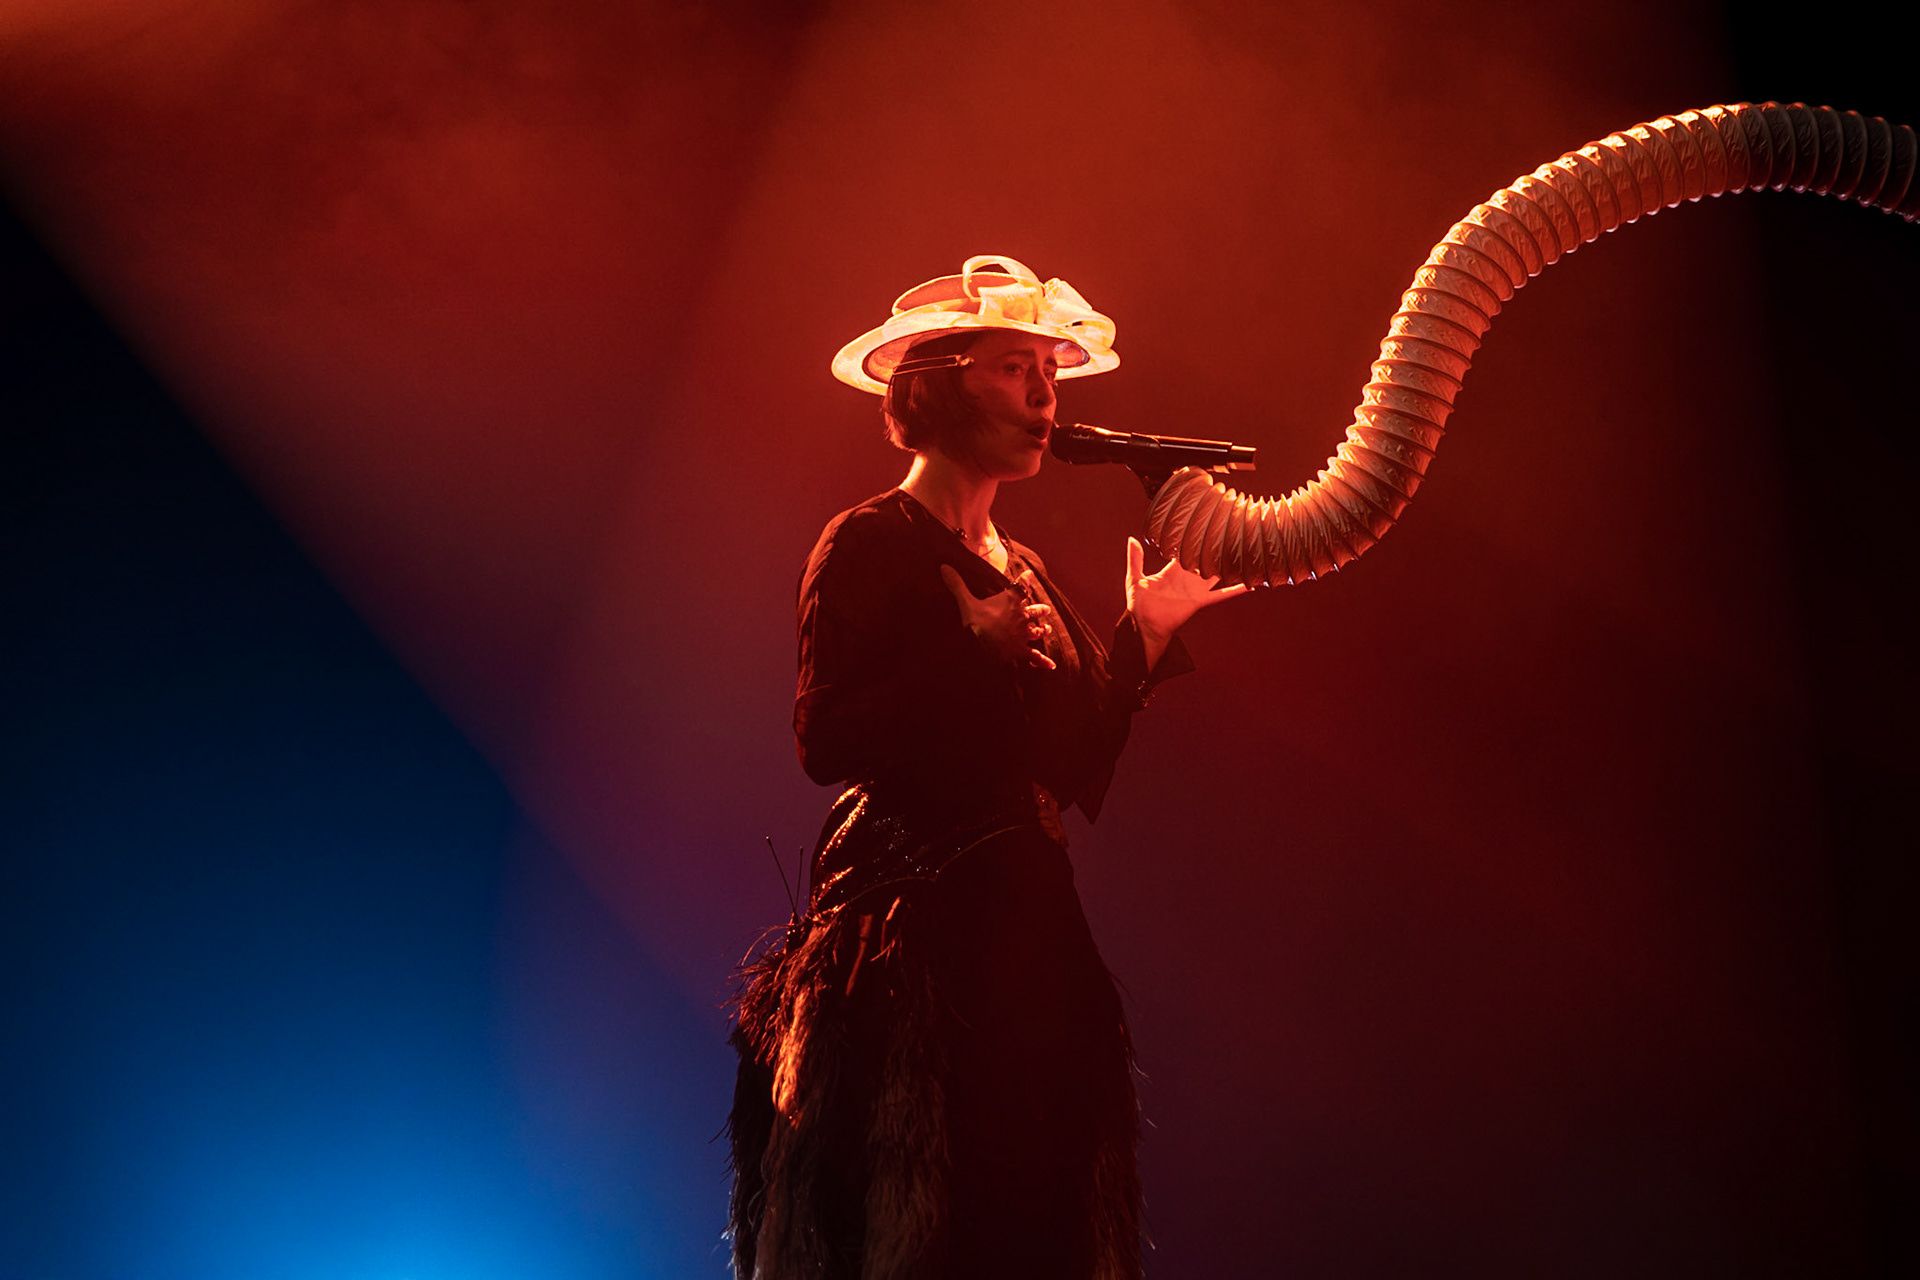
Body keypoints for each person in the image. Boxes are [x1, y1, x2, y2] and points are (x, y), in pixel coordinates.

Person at [728, 255, 1243, 1279]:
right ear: (939, 382)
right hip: (917, 944)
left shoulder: (1028, 568)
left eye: (1049, 367)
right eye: (1015, 367)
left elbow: (1063, 767)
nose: (1046, 392)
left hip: (1029, 942)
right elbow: (822, 739)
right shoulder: (869, 540)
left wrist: (1142, 640)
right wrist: (969, 652)